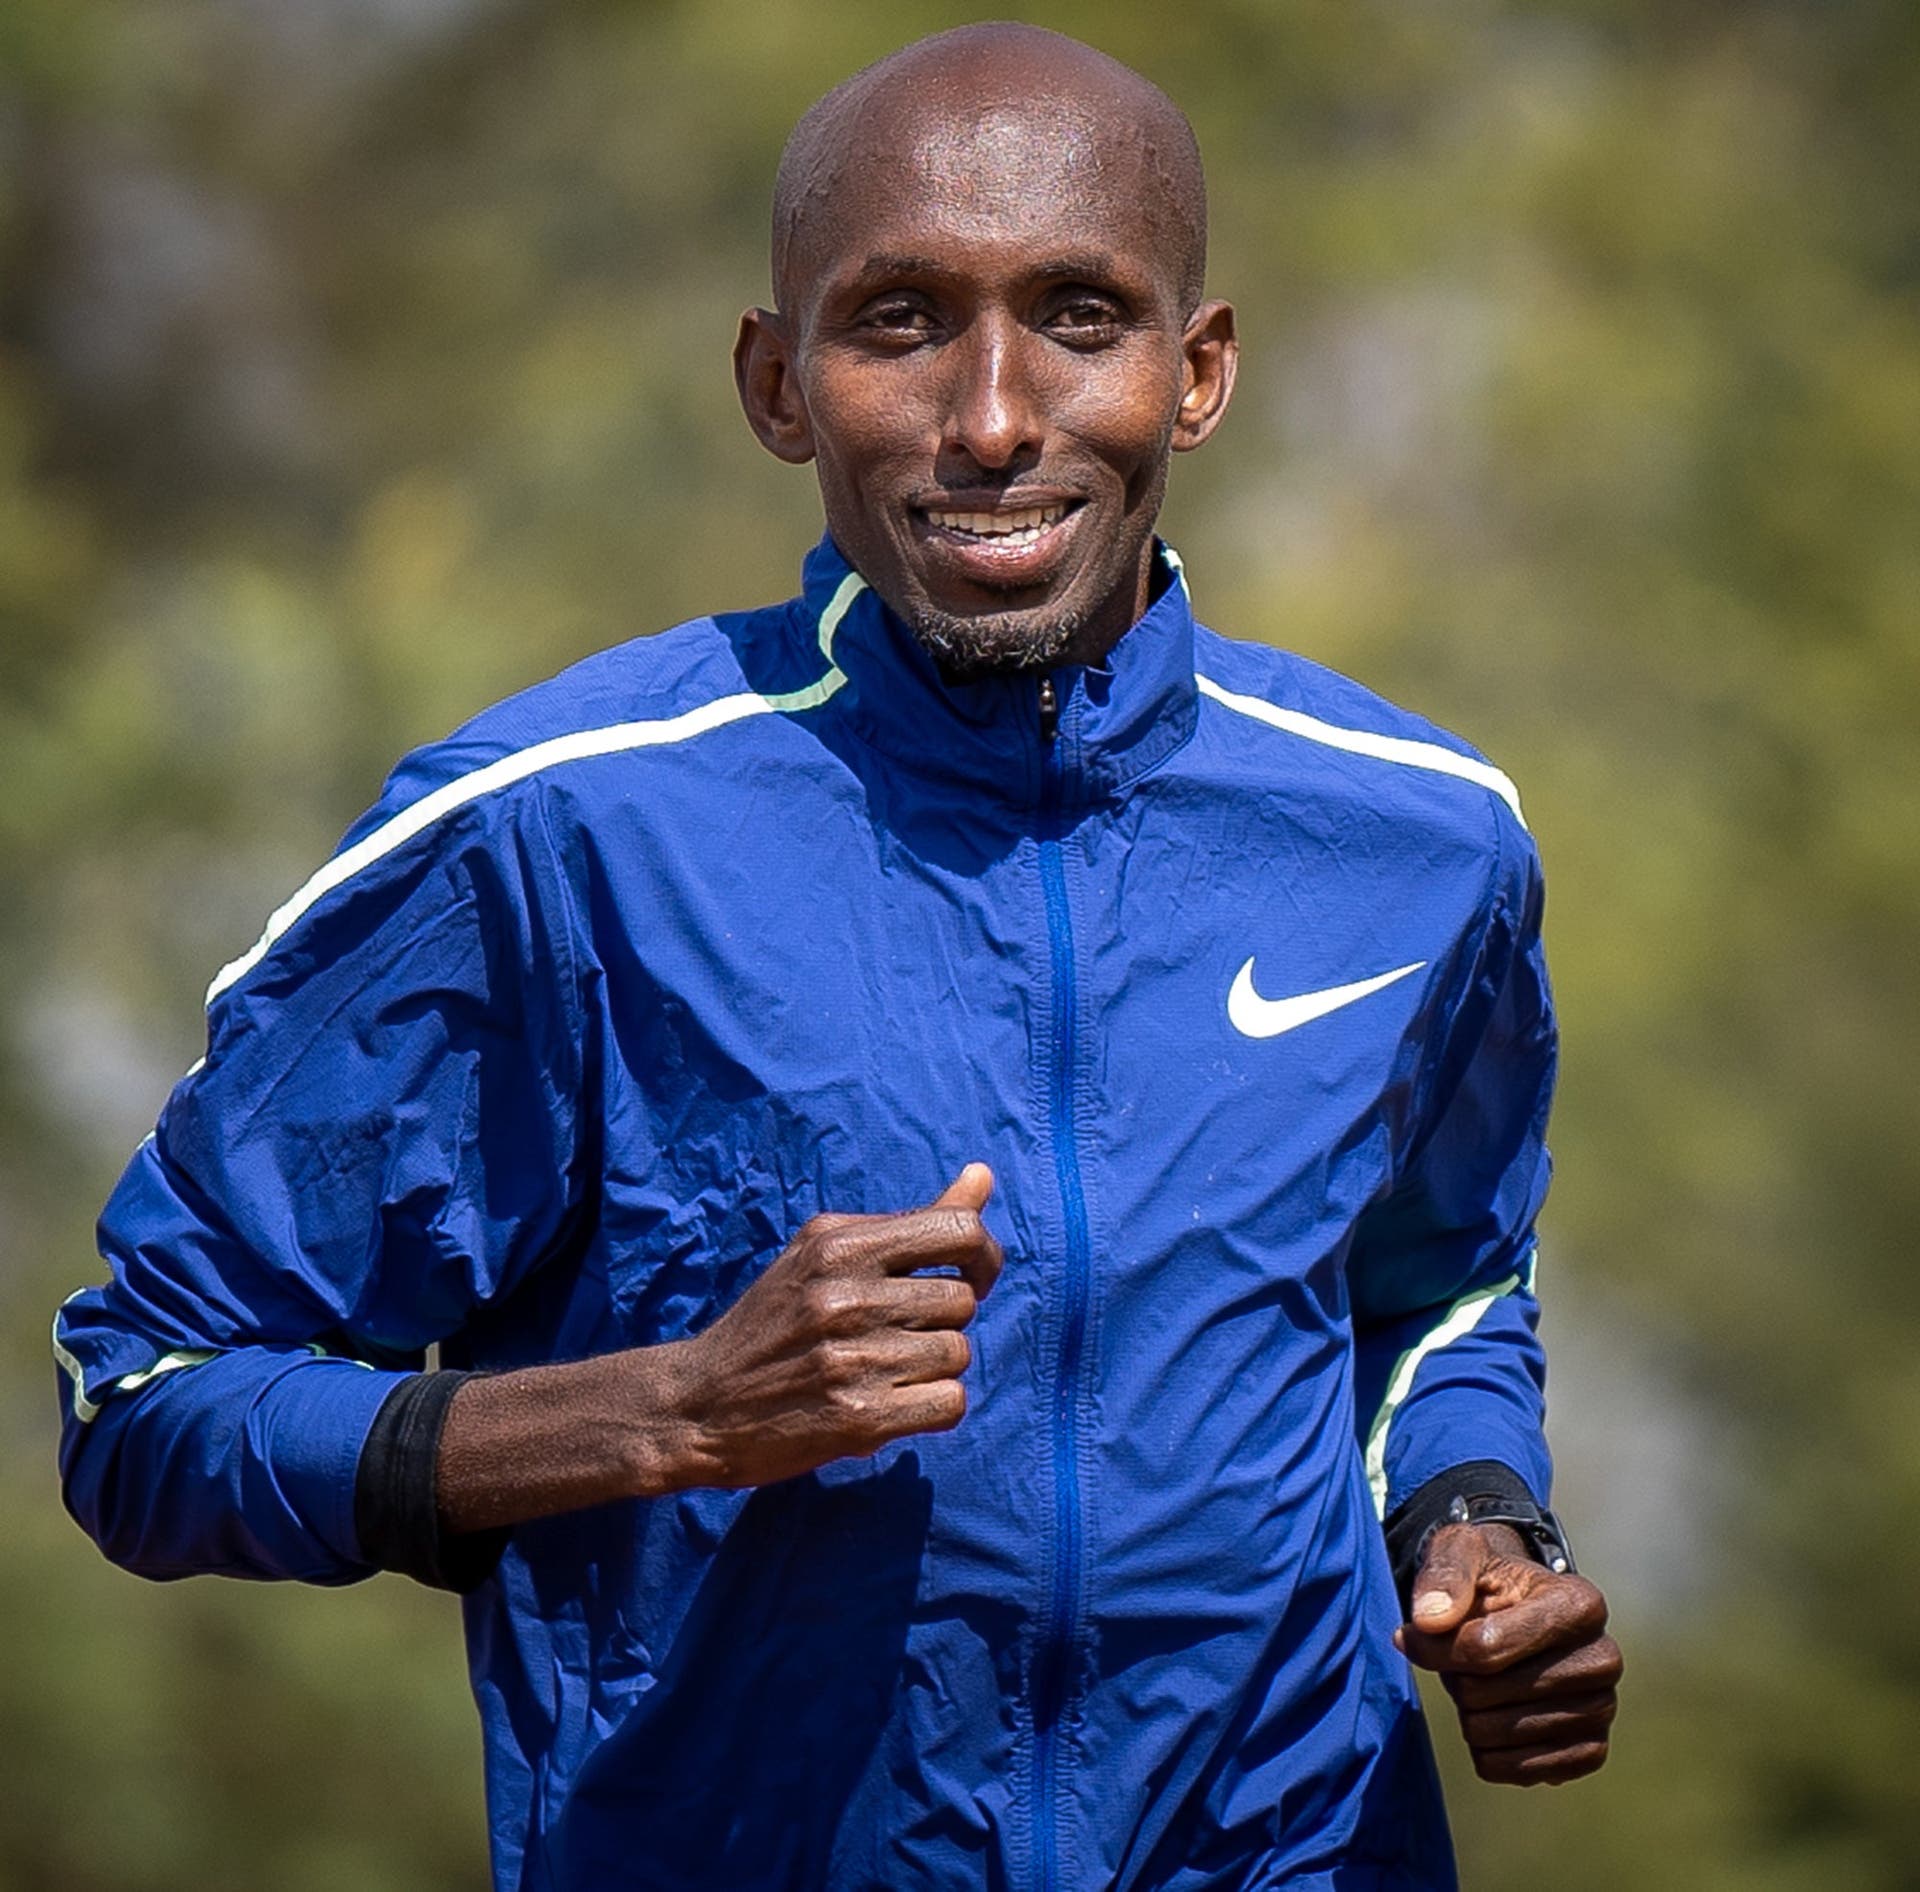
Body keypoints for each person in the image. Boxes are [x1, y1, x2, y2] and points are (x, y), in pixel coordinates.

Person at [54, 24, 1620, 1891]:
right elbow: (145, 1401)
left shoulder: (1423, 843)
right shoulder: (555, 837)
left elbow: (1437, 1292)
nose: (990, 419)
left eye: (1079, 315)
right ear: (775, 382)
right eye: (897, 322)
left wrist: (1472, 1520)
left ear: (1196, 373)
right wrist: (665, 1410)